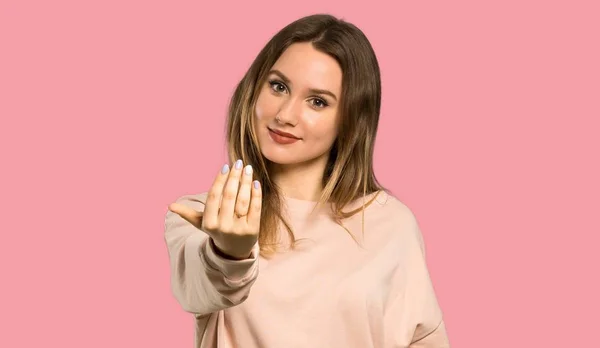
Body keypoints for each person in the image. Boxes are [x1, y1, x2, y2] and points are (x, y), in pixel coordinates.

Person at [164, 13, 450, 348]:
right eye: (278, 86)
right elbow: (199, 290)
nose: (285, 115)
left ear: (350, 120)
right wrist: (229, 253)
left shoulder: (392, 224)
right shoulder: (203, 216)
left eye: (317, 102)